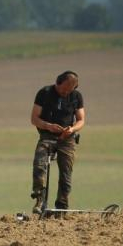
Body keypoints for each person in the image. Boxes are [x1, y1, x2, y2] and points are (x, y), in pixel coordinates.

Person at [29, 71, 85, 215]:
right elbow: (34, 118)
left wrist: (71, 129)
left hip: (67, 139)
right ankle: (39, 199)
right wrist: (48, 126)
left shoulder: (76, 97)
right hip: (47, 136)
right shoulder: (44, 93)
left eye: (70, 89)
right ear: (57, 83)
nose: (66, 92)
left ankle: (61, 208)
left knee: (66, 173)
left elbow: (81, 120)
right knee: (39, 164)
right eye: (64, 89)